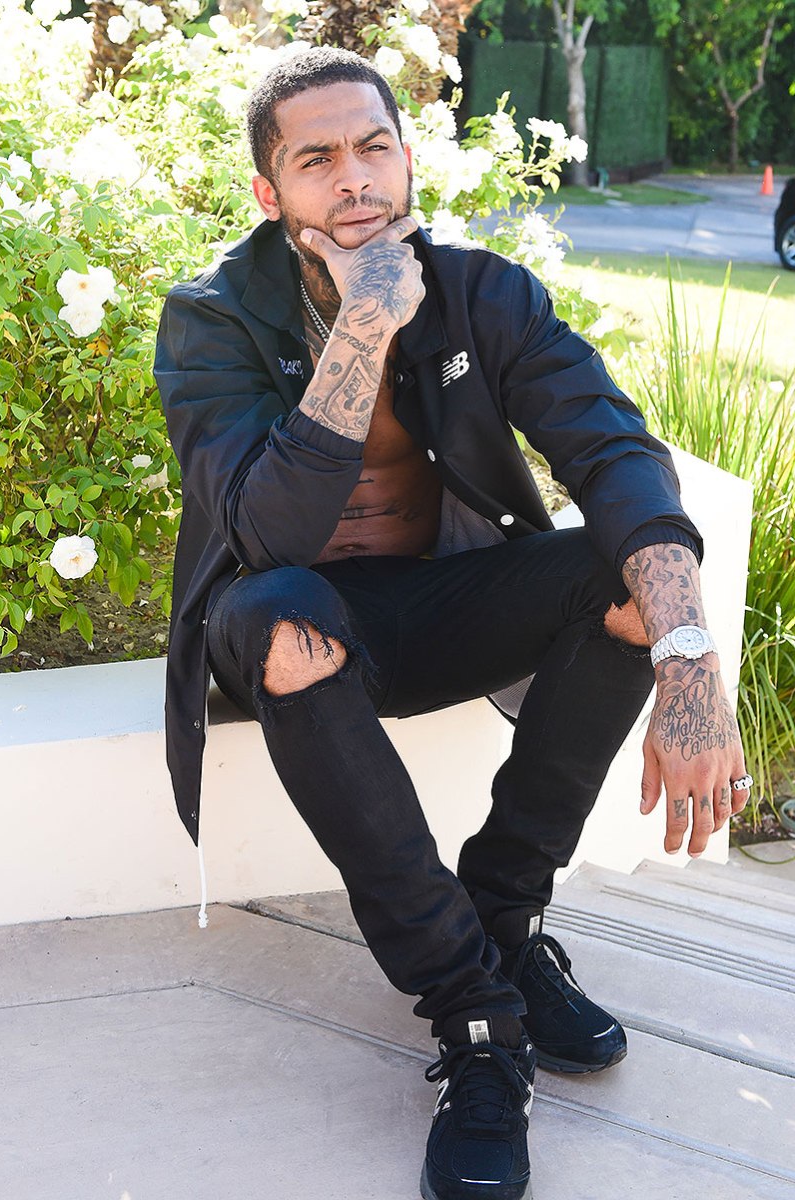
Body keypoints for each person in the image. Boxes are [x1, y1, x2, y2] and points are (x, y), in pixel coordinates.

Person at [154, 46, 751, 1200]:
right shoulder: (211, 319)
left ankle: (505, 920)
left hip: (441, 603)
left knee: (624, 579)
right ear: (268, 192)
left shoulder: (483, 294)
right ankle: (475, 1014)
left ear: (408, 160)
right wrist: (364, 327)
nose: (354, 177)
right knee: (280, 617)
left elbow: (615, 454)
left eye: (373, 147)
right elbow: (269, 536)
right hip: (295, 620)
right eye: (316, 159)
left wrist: (689, 659)